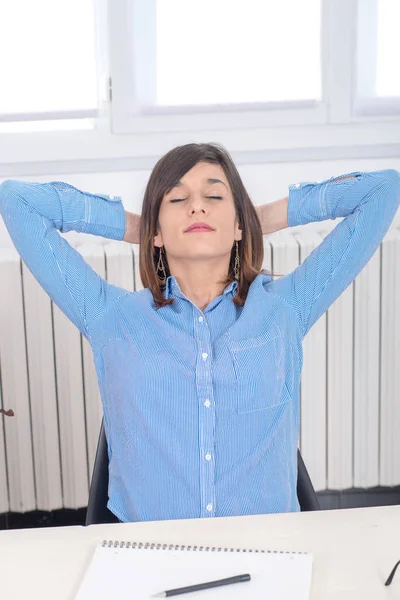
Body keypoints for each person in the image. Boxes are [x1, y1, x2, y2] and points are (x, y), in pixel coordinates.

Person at [0, 143, 399, 523]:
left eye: (215, 197)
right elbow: (16, 200)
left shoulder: (285, 308)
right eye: (176, 199)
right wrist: (139, 226)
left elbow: (384, 189)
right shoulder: (112, 317)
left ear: (239, 223)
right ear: (156, 232)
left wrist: (259, 219)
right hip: (151, 554)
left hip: (270, 546)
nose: (196, 206)